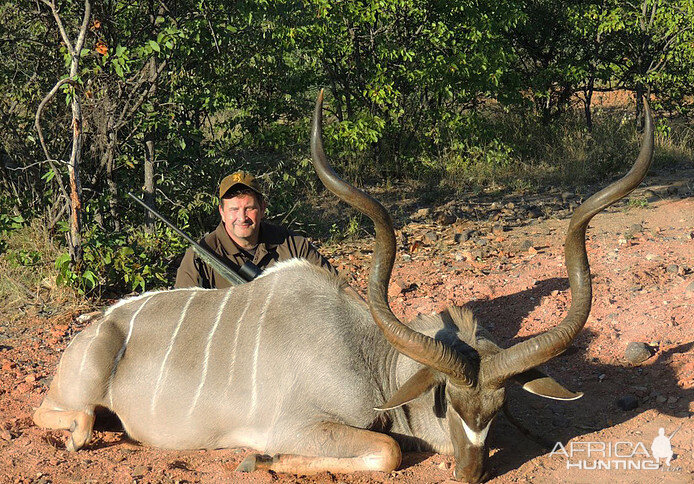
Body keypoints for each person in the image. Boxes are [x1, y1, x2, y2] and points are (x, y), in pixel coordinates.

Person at [175, 171, 337, 289]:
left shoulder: (294, 245)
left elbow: (338, 287)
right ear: (222, 212)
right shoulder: (200, 256)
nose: (242, 217)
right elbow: (181, 312)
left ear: (262, 208)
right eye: (234, 209)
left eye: (249, 208)